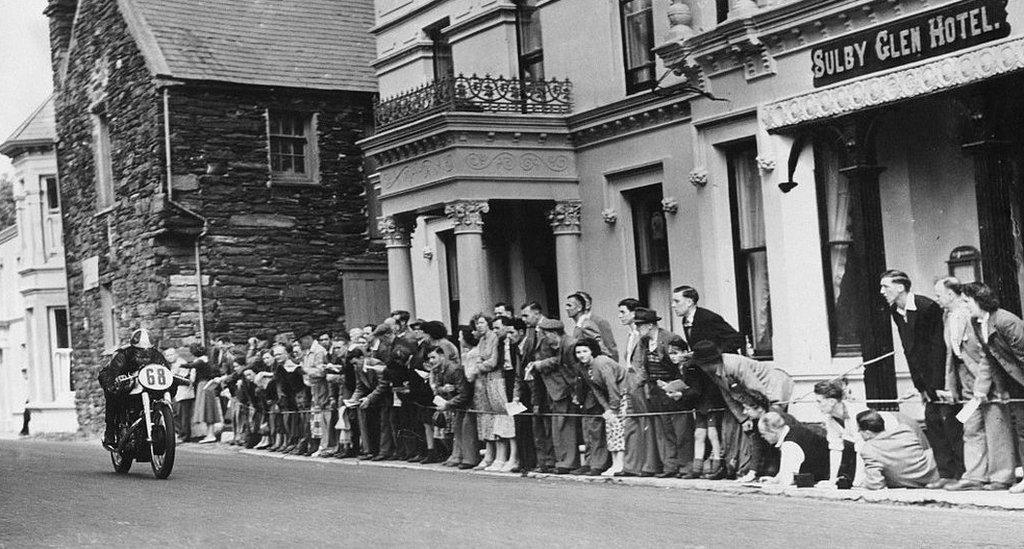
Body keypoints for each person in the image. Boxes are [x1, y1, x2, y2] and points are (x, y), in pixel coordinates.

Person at [880, 270, 964, 487]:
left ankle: (961, 474)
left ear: (900, 287)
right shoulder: (895, 310)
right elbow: (909, 350)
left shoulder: (927, 307)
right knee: (933, 424)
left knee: (951, 424)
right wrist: (920, 387)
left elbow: (938, 348)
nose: (882, 291)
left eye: (885, 287)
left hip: (940, 378)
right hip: (924, 381)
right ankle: (945, 474)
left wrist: (938, 385)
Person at [935, 278, 1016, 491]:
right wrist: (951, 386)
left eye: (939, 295)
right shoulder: (950, 317)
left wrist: (982, 386)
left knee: (996, 426)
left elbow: (986, 356)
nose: (937, 300)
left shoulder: (976, 318)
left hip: (989, 379)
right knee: (971, 427)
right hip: (967, 380)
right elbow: (952, 356)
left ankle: (1001, 476)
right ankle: (975, 475)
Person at [690, 340, 794, 479]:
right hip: (755, 394)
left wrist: (761, 410)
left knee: (771, 425)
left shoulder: (734, 364)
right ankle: (761, 468)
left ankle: (779, 466)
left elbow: (756, 389)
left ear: (707, 363)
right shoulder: (713, 371)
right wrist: (744, 418)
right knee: (755, 431)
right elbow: (728, 396)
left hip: (772, 387)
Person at [961, 282, 1024, 494]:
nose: (965, 305)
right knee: (1022, 430)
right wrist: (988, 388)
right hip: (1014, 386)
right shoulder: (977, 322)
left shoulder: (1006, 321)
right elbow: (990, 358)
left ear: (980, 300)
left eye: (967, 301)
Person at [631, 308, 689, 478]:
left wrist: (675, 387)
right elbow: (642, 366)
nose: (638, 329)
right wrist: (636, 386)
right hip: (655, 389)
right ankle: (670, 466)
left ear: (650, 325)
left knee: (681, 429)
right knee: (665, 430)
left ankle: (685, 466)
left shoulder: (671, 338)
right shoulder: (643, 342)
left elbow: (682, 365)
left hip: (673, 388)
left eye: (640, 325)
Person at [665, 337, 726, 480]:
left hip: (709, 402)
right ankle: (697, 466)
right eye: (670, 353)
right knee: (699, 434)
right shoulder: (683, 368)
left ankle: (717, 462)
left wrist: (682, 393)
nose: (673, 356)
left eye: (675, 352)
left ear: (685, 352)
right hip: (700, 404)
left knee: (712, 433)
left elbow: (697, 389)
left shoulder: (693, 366)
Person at [98, 328, 169, 450]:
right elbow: (112, 375)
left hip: (146, 384)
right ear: (134, 348)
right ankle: (110, 433)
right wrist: (117, 379)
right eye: (140, 351)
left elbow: (165, 371)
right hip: (120, 379)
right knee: (112, 394)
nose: (145, 354)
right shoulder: (123, 355)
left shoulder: (157, 355)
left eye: (148, 350)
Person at [527, 317, 580, 474]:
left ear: (553, 333)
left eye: (545, 334)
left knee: (566, 427)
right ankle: (563, 461)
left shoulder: (569, 344)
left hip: (565, 390)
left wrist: (575, 392)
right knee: (559, 427)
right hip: (556, 390)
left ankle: (568, 462)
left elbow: (574, 371)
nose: (543, 338)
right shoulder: (559, 343)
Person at [574, 337, 626, 476]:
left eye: (585, 351)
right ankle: (614, 463)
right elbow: (596, 390)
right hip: (610, 400)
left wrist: (613, 409)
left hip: (624, 394)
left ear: (592, 351)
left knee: (618, 428)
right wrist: (607, 408)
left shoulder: (601, 362)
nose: (581, 355)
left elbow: (612, 385)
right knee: (611, 429)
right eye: (578, 352)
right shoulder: (583, 367)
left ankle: (619, 464)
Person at [857, 409, 939, 490]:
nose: (858, 432)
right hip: (934, 473)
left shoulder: (869, 449)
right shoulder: (905, 429)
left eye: (859, 430)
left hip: (910, 482)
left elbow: (876, 484)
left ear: (867, 433)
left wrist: (864, 483)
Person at [757, 411, 845, 486]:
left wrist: (774, 484)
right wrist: (775, 480)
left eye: (763, 433)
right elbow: (787, 468)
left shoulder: (790, 444)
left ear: (773, 431)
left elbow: (788, 480)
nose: (762, 437)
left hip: (837, 474)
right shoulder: (794, 430)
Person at [520, 302, 556, 473]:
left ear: (537, 313)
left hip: (551, 383)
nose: (524, 319)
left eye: (526, 315)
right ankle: (543, 462)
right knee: (538, 423)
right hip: (535, 384)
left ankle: (552, 461)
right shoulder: (530, 332)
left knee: (550, 424)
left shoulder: (550, 328)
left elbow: (559, 357)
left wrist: (540, 364)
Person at [431, 345, 478, 469]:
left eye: (433, 357)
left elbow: (464, 393)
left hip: (466, 403)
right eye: (429, 358)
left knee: (465, 429)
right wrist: (443, 390)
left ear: (442, 356)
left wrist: (447, 404)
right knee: (457, 429)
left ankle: (468, 458)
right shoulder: (439, 370)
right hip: (456, 404)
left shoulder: (454, 369)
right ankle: (457, 455)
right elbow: (437, 388)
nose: (431, 361)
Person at [494, 315, 528, 472]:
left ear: (520, 332)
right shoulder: (510, 345)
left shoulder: (524, 346)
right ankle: (521, 460)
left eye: (512, 332)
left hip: (527, 388)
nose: (508, 336)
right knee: (517, 422)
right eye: (507, 333)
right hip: (516, 386)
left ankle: (525, 460)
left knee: (525, 424)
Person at [671, 286, 744, 353]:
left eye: (677, 301)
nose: (673, 305)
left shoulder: (708, 318)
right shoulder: (685, 320)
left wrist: (713, 353)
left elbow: (738, 339)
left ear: (689, 302)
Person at [167, 347, 196, 443]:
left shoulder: (181, 363)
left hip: (184, 393)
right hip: (178, 393)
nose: (169, 357)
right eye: (167, 355)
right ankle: (181, 433)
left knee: (183, 415)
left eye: (171, 355)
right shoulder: (173, 364)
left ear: (176, 354)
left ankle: (185, 435)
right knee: (176, 414)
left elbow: (183, 379)